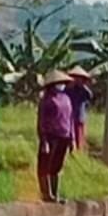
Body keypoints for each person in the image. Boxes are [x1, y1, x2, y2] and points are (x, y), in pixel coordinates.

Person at [37, 70, 74, 203]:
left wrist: (72, 138)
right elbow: (41, 121)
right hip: (51, 136)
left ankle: (55, 193)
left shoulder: (66, 98)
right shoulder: (46, 100)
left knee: (57, 167)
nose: (61, 85)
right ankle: (46, 194)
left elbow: (70, 119)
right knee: (46, 166)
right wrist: (44, 140)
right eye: (58, 83)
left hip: (64, 135)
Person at [65, 66, 93, 152]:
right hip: (69, 118)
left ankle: (79, 154)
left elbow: (90, 96)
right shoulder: (68, 90)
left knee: (79, 138)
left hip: (79, 117)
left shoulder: (84, 91)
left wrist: (83, 85)